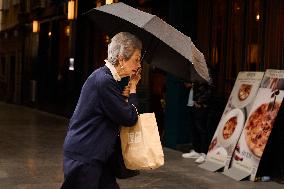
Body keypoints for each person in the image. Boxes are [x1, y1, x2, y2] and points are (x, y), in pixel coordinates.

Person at [61, 32, 142, 189]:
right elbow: (130, 117)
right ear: (121, 59)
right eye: (136, 59)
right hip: (85, 157)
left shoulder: (105, 79)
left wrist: (123, 100)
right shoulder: (104, 81)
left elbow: (114, 112)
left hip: (96, 156)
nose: (139, 65)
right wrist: (133, 89)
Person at [182, 81, 212, 164]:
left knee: (202, 130)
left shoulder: (203, 73)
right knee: (193, 129)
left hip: (200, 106)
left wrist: (200, 101)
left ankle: (204, 153)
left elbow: (209, 89)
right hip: (192, 105)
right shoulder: (193, 74)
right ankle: (196, 151)